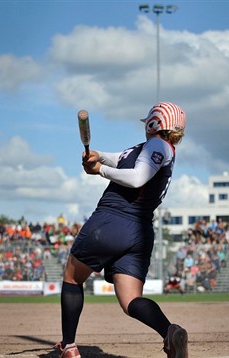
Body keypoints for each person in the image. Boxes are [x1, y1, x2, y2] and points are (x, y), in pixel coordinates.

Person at [55, 102, 188, 358]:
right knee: (130, 302)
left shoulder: (157, 146)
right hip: (139, 231)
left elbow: (138, 177)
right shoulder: (150, 148)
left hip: (113, 221)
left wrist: (101, 170)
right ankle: (169, 331)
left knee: (72, 277)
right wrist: (99, 156)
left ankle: (69, 346)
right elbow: (120, 159)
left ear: (154, 123)